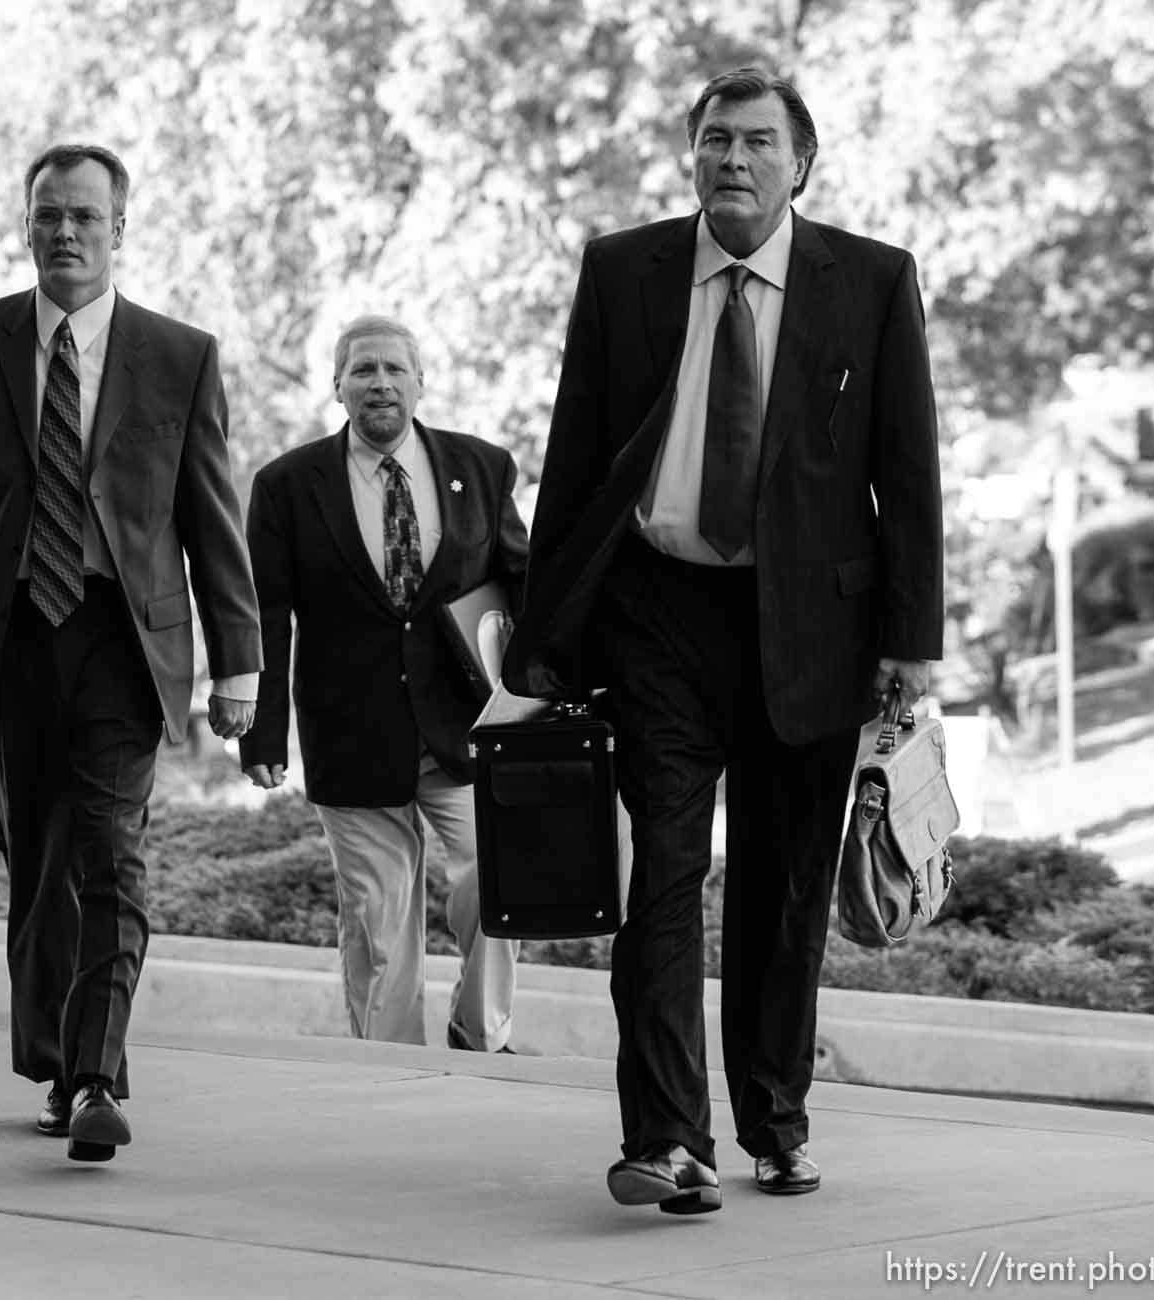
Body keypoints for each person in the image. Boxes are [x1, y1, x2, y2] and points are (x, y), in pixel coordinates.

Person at [500, 68, 943, 1214]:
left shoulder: (874, 282)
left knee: (786, 891)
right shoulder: (625, 271)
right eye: (712, 141)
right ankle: (665, 1138)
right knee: (663, 879)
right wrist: (548, 634)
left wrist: (913, 640)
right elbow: (577, 453)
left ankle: (775, 1121)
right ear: (689, 157)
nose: (731, 160)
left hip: (816, 626)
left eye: (756, 142)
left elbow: (910, 471)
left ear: (800, 162)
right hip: (662, 617)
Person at [0, 144, 262, 1162]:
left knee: (109, 854)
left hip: (123, 640)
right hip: (10, 641)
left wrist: (241, 662)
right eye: (48, 214)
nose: (65, 232)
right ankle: (53, 1056)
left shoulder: (179, 354)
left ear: (118, 229)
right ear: (26, 225)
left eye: (85, 217)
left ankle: (96, 1072)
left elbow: (211, 515)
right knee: (42, 859)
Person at [239, 316, 526, 1052]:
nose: (380, 383)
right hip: (352, 732)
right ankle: (390, 1065)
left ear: (420, 382)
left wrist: (542, 699)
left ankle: (479, 1035)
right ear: (337, 387)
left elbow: (521, 585)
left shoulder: (483, 466)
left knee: (500, 882)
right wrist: (263, 733)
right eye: (363, 370)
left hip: (465, 728)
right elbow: (267, 615)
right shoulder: (286, 486)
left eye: (396, 369)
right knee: (380, 916)